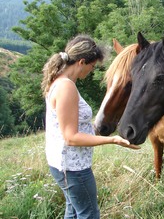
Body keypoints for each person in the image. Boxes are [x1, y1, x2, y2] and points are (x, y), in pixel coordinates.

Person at [41, 34, 140, 219]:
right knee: (89, 214)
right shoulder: (66, 87)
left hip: (62, 164)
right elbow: (71, 137)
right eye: (92, 66)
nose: (91, 71)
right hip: (73, 168)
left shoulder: (58, 81)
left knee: (73, 210)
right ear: (81, 62)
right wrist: (113, 139)